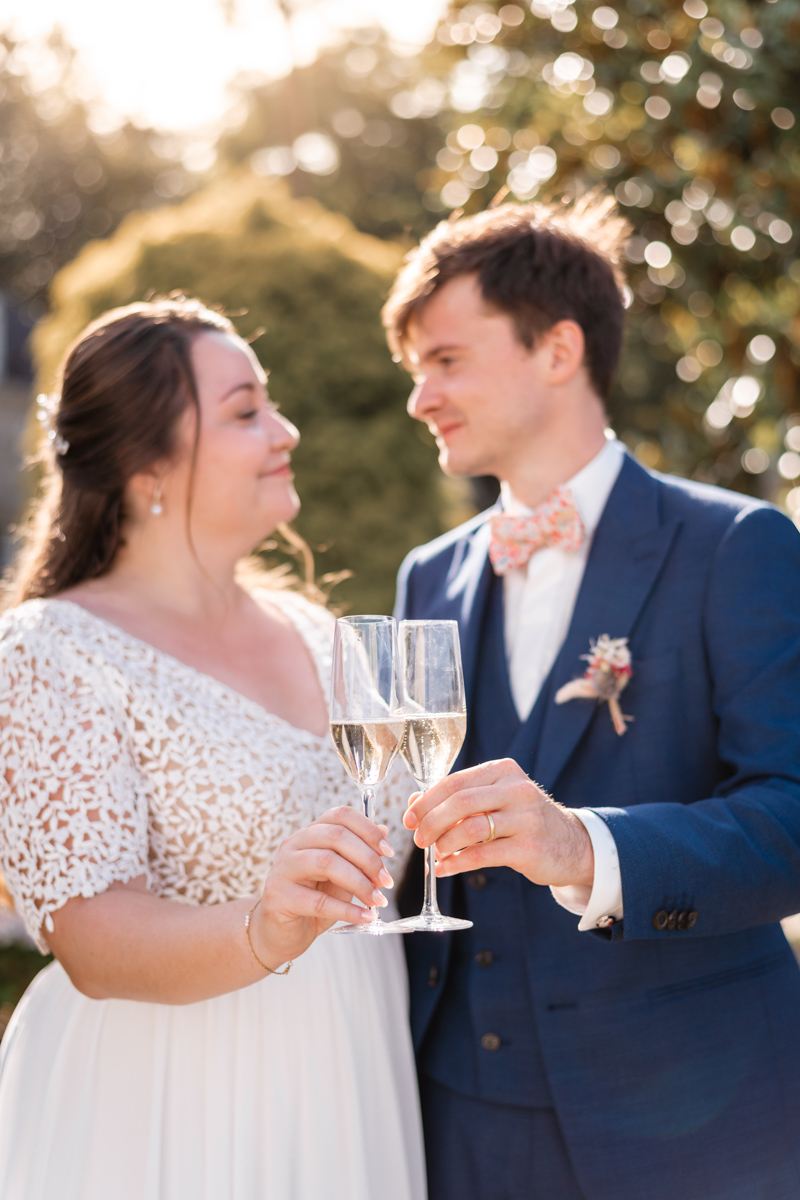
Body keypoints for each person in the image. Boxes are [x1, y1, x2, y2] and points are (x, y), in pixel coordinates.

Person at [383, 196, 800, 1200]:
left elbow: (789, 821)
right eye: (412, 371)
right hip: (453, 1117)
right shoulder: (424, 578)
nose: (418, 398)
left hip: (688, 1127)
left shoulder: (732, 548)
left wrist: (585, 848)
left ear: (557, 348)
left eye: (444, 360)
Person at [0, 298, 426, 1200]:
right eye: (245, 411)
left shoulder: (321, 635)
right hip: (169, 1105)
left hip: (350, 1072)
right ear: (147, 462)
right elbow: (92, 939)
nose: (286, 429)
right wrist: (262, 929)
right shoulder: (53, 649)